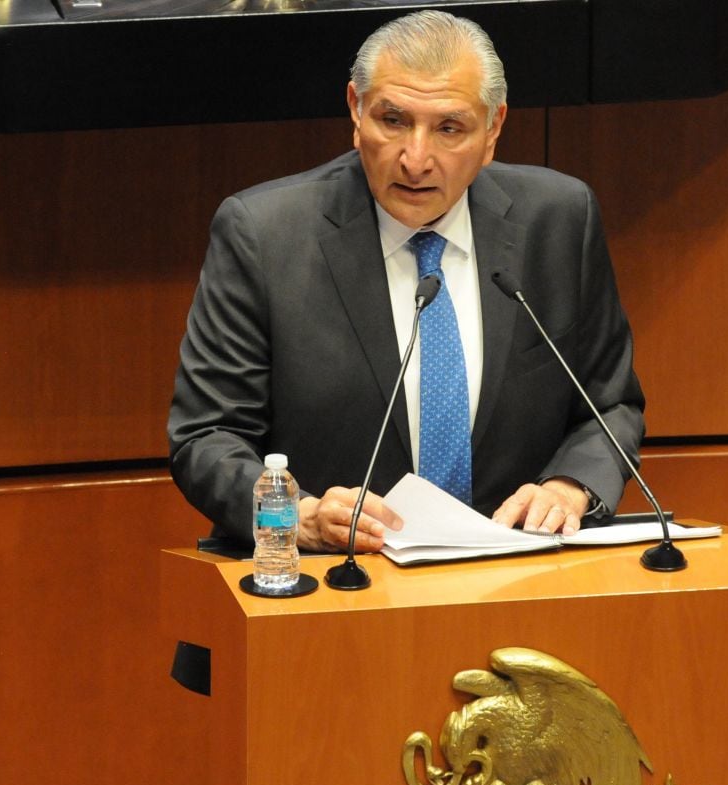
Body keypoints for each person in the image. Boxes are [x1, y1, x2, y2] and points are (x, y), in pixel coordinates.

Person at [168, 10, 644, 553]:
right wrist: (296, 516)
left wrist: (570, 485)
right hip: (334, 589)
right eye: (392, 121)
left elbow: (610, 405)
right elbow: (206, 437)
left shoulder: (558, 221)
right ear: (355, 109)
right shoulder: (265, 235)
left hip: (515, 579)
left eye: (449, 128)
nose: (416, 160)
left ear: (493, 129)